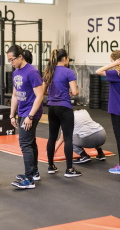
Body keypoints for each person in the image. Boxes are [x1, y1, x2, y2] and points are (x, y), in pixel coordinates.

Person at [8, 46, 44, 189]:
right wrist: (12, 115)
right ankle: (33, 172)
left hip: (31, 112)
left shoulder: (32, 72)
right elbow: (15, 95)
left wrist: (30, 116)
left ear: (20, 57)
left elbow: (40, 95)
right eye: (9, 60)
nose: (11, 63)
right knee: (30, 142)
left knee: (24, 143)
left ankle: (29, 179)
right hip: (23, 111)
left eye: (12, 60)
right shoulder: (16, 72)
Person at [43, 49, 81, 178]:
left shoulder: (49, 71)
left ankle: (50, 166)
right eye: (68, 58)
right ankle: (69, 169)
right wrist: (70, 93)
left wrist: (55, 93)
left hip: (52, 107)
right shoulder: (68, 72)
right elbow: (75, 92)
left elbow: (43, 92)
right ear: (64, 59)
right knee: (68, 138)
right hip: (64, 107)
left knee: (52, 137)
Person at [96, 50, 120, 174]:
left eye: (111, 61)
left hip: (117, 110)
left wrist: (113, 64)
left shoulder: (116, 73)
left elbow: (98, 71)